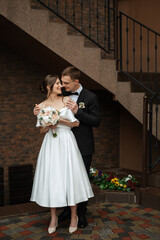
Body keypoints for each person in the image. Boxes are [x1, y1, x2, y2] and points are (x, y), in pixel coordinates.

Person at [34, 66, 101, 228]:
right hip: (58, 144)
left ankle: (80, 214)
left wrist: (78, 111)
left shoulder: (91, 97)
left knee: (78, 180)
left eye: (65, 83)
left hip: (81, 145)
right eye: (60, 83)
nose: (62, 86)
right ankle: (64, 212)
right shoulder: (61, 96)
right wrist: (42, 116)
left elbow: (96, 121)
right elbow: (44, 123)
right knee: (60, 179)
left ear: (76, 82)